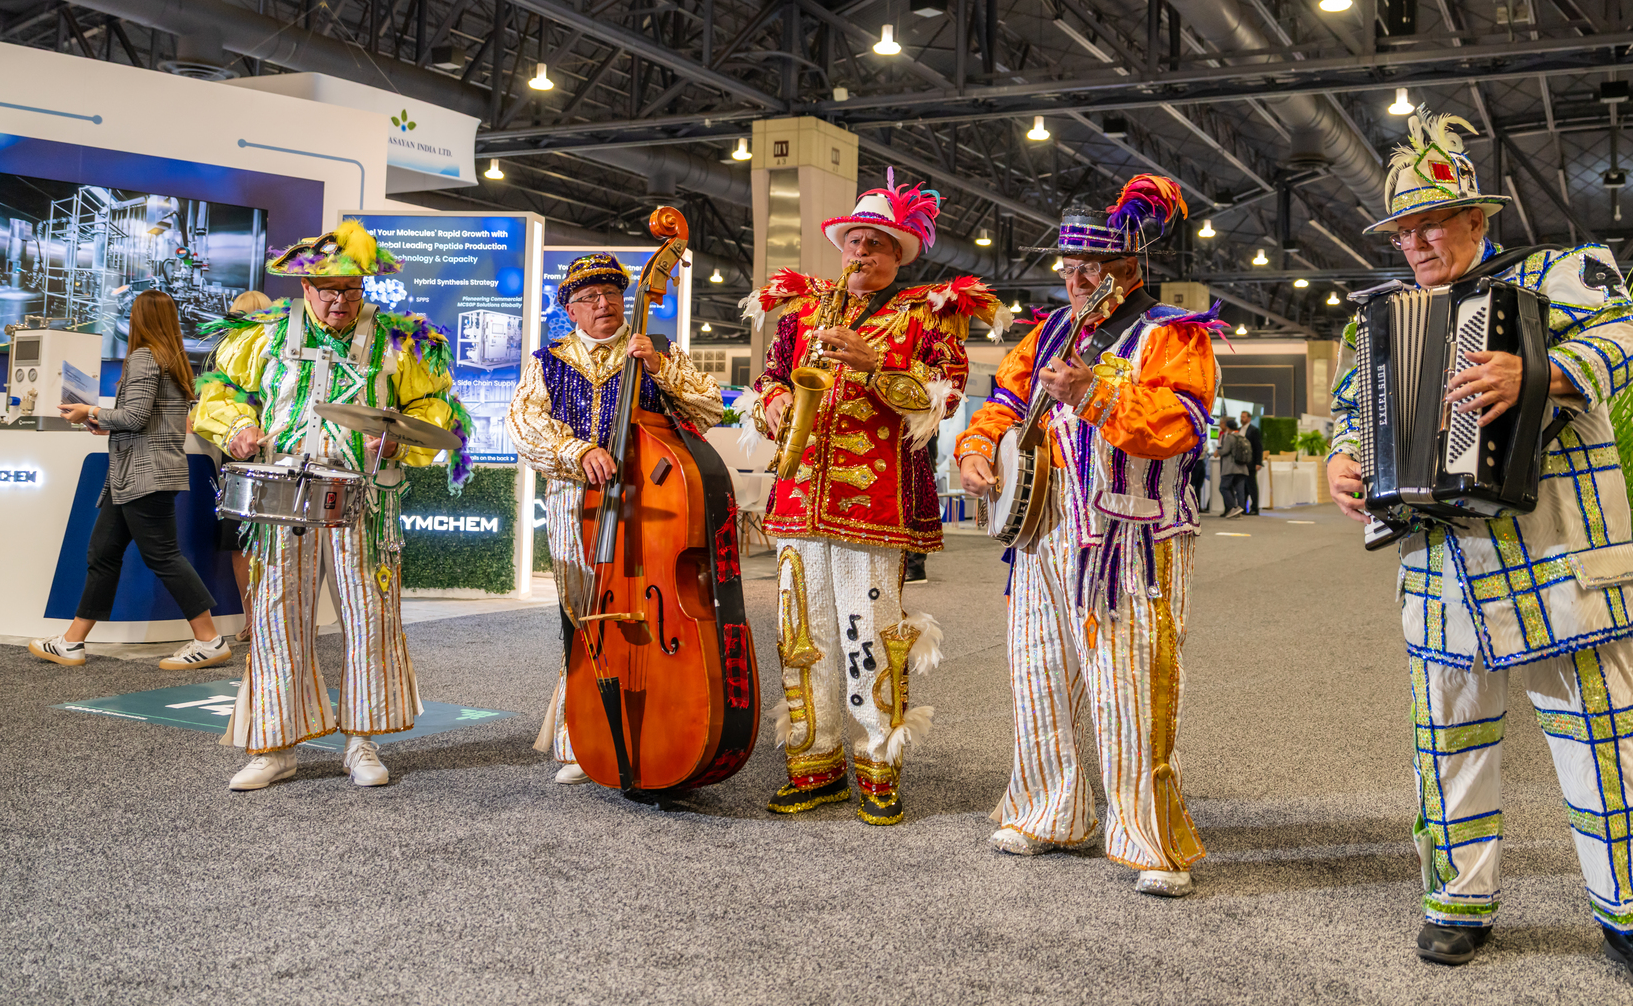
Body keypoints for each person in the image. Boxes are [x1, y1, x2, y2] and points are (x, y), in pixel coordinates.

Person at [1323, 112, 1633, 992]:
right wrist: (1343, 457)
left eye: (1433, 222)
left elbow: (1629, 337)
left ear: (1478, 219)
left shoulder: (1563, 274)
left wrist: (1542, 372)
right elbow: (1352, 410)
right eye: (1404, 230)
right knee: (1449, 746)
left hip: (1565, 564)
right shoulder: (1383, 320)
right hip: (1443, 575)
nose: (1416, 242)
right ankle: (1457, 903)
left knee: (1605, 752)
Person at [957, 176, 1218, 899]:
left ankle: (1148, 837)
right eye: (1067, 269)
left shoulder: (1173, 333)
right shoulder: (1047, 334)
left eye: (1087, 270)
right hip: (1039, 534)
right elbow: (1002, 407)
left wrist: (1096, 394)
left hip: (1127, 535)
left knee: (1130, 685)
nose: (1072, 281)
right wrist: (978, 451)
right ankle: (1049, 809)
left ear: (1127, 271)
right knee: (1037, 672)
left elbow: (1180, 425)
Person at [740, 170, 1003, 825]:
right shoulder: (802, 314)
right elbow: (770, 382)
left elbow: (941, 399)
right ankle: (815, 760)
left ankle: (879, 762)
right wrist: (777, 410)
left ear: (900, 254)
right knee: (804, 633)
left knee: (871, 634)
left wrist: (874, 367)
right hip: (800, 500)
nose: (864, 252)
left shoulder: (929, 318)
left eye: (878, 244)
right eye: (856, 240)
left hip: (876, 508)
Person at [192, 219, 470, 791]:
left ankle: (360, 741)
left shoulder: (403, 340)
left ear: (364, 287)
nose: (338, 299)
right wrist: (239, 427)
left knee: (369, 617)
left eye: (350, 288)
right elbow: (219, 392)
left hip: (363, 499)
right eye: (327, 289)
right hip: (281, 496)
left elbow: (436, 409)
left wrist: (399, 438)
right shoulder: (263, 335)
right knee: (274, 619)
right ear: (304, 289)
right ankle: (273, 745)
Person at [506, 252, 727, 786]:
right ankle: (580, 738)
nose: (602, 304)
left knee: (647, 611)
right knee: (583, 612)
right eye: (588, 298)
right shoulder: (548, 359)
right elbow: (521, 422)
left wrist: (658, 368)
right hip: (573, 500)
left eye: (611, 294)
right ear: (570, 310)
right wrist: (576, 450)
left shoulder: (658, 351)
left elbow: (711, 407)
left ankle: (659, 724)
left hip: (654, 503)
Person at [30, 291, 230, 671]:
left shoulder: (144, 357)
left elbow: (135, 417)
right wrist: (105, 423)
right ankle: (72, 642)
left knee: (164, 557)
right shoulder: (172, 359)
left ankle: (210, 639)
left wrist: (89, 410)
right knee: (103, 554)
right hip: (141, 473)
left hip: (142, 474)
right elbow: (149, 421)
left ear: (139, 319)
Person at [207, 289, 272, 645]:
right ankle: (264, 620)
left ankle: (253, 620)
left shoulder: (230, 357)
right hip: (265, 460)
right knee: (259, 544)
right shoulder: (276, 354)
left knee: (244, 545)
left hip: (244, 462)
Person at [1216, 417, 1247, 516]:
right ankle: (1240, 509)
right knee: (1239, 490)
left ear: (1228, 427)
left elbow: (1225, 451)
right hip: (1242, 467)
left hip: (1230, 467)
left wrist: (1218, 451)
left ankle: (1232, 507)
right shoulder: (1242, 436)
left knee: (1224, 487)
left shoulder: (1230, 437)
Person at [1237, 409, 1263, 514]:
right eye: (1241, 417)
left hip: (1251, 462)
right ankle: (1243, 507)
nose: (1241, 419)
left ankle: (1255, 508)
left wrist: (1258, 462)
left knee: (1252, 486)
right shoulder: (1239, 430)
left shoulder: (1254, 430)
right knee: (1243, 486)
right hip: (1241, 463)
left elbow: (1258, 447)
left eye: (1243, 417)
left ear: (1249, 418)